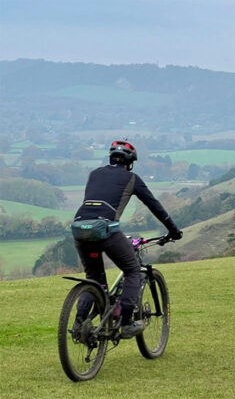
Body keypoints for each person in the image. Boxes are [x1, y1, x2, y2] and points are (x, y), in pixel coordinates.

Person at [71, 140, 183, 339]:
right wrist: (173, 230)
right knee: (132, 270)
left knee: (94, 278)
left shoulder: (94, 174)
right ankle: (126, 322)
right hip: (105, 229)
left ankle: (79, 324)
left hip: (79, 228)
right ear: (130, 162)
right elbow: (154, 205)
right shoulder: (131, 178)